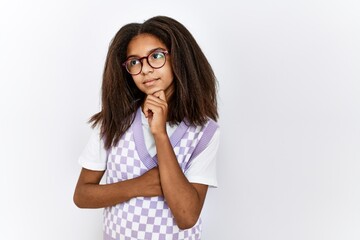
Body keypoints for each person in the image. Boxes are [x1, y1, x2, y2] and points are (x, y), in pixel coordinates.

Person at [73, 15, 220, 240]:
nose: (145, 69)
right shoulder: (112, 123)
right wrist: (139, 186)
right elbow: (82, 195)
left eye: (156, 56)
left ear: (178, 57)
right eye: (134, 62)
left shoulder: (203, 132)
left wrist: (160, 133)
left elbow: (187, 216)